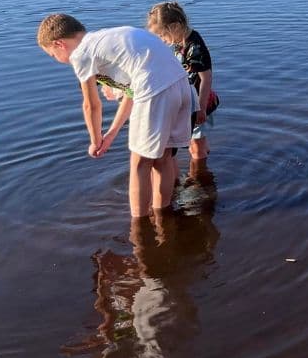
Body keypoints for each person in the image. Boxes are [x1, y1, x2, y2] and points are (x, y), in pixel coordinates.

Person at [37, 14, 194, 217]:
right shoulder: (106, 40)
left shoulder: (81, 53)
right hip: (182, 86)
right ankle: (162, 214)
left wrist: (95, 140)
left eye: (52, 55)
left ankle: (139, 224)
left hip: (156, 89)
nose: (57, 61)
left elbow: (91, 105)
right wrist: (110, 135)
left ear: (59, 44)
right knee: (162, 158)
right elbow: (131, 94)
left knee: (139, 163)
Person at [147, 2, 217, 163]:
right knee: (195, 140)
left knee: (196, 144)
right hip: (188, 101)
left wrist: (201, 108)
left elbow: (206, 78)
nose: (162, 40)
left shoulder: (195, 47)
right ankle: (199, 176)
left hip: (199, 102)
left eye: (163, 35)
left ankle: (200, 180)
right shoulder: (181, 41)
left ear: (175, 26)